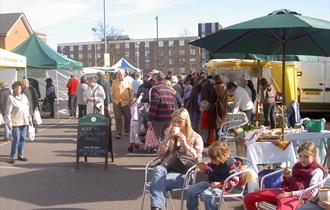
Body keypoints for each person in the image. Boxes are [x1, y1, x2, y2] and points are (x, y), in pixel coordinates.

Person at [149, 108, 204, 210]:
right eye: (174, 121)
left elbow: (198, 160)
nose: (176, 124)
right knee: (158, 169)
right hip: (167, 168)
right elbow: (160, 154)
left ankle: (156, 207)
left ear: (186, 122)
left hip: (184, 172)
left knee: (157, 184)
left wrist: (185, 144)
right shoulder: (170, 133)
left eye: (180, 122)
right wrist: (166, 139)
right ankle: (157, 207)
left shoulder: (196, 137)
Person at [244, 141, 325, 210]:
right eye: (300, 156)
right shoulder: (298, 166)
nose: (302, 159)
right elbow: (296, 181)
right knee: (248, 198)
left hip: (298, 198)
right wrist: (288, 176)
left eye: (306, 156)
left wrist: (291, 194)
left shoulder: (317, 171)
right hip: (285, 190)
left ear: (314, 156)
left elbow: (310, 193)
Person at [187, 141, 240, 210]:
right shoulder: (214, 161)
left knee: (206, 194)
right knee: (191, 189)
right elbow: (210, 171)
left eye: (212, 159)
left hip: (224, 188)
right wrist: (204, 169)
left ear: (220, 157)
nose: (211, 161)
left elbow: (235, 181)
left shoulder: (232, 164)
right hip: (211, 183)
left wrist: (220, 184)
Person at [148, 72, 177, 143]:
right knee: (166, 139)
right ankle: (165, 152)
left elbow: (154, 105)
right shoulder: (169, 89)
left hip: (159, 118)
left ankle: (158, 152)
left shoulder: (155, 89)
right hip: (169, 117)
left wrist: (150, 119)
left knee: (156, 139)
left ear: (156, 79)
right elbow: (173, 103)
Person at [7, 81, 30, 164]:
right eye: (16, 88)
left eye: (19, 88)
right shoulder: (11, 98)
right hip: (15, 122)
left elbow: (27, 107)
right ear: (14, 89)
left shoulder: (24, 97)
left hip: (24, 121)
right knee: (16, 139)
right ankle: (12, 157)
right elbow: (8, 112)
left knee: (23, 139)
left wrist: (29, 117)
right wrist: (9, 122)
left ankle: (20, 155)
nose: (18, 89)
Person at [111, 69, 132, 139]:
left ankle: (126, 130)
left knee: (127, 117)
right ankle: (118, 133)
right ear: (117, 75)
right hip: (116, 102)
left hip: (125, 102)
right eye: (119, 74)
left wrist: (130, 99)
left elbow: (130, 91)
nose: (120, 76)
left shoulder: (128, 82)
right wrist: (113, 100)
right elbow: (112, 92)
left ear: (124, 74)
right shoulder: (114, 82)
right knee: (118, 117)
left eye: (122, 74)